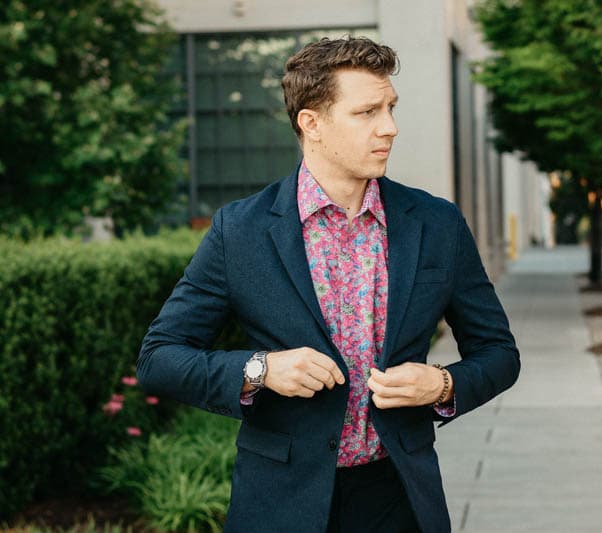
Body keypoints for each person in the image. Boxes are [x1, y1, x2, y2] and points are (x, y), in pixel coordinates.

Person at [137, 36, 520, 533]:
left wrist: (443, 383)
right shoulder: (242, 231)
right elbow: (159, 357)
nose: (390, 128)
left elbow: (498, 353)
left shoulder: (436, 223)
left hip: (399, 496)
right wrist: (260, 369)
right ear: (311, 123)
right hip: (280, 504)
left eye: (391, 108)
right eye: (367, 113)